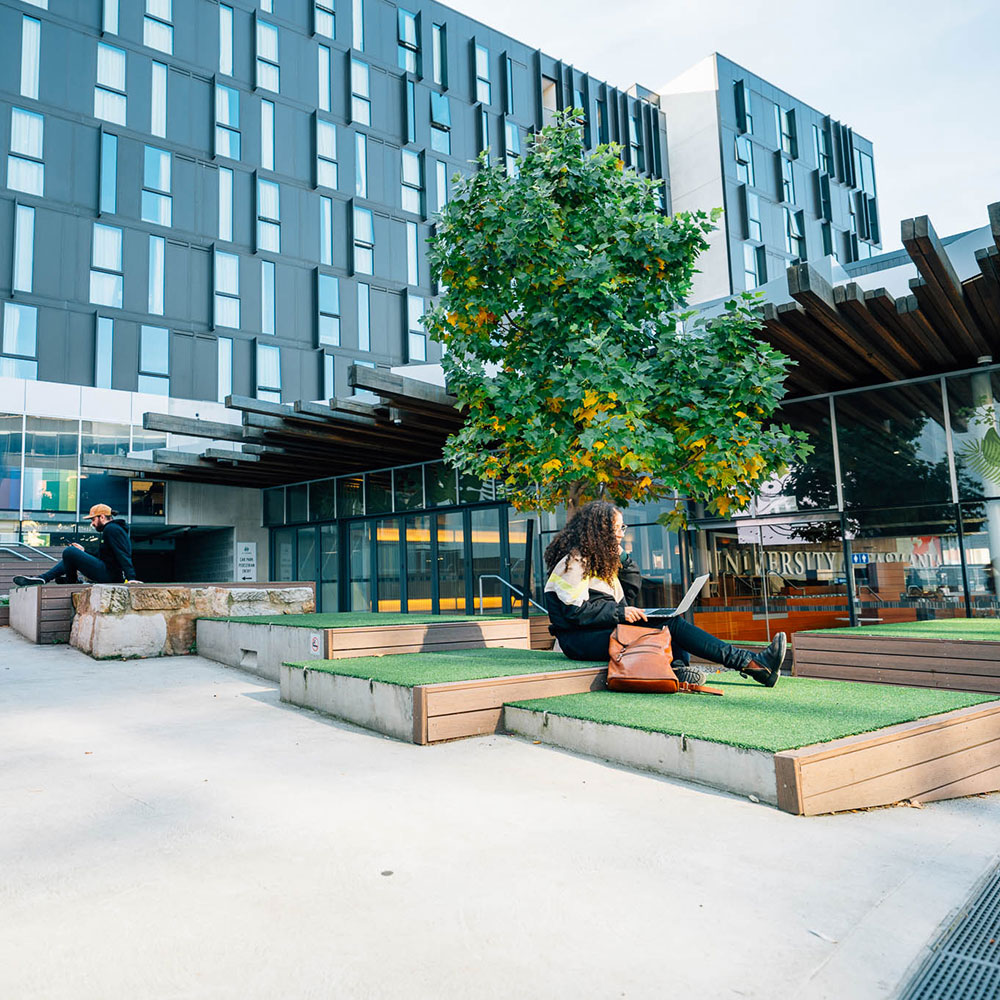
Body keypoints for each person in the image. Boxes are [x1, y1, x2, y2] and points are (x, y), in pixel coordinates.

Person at [544, 500, 785, 687]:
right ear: (598, 532)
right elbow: (574, 612)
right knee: (670, 624)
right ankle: (750, 663)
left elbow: (630, 590)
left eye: (622, 527)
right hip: (579, 641)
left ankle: (679, 669)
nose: (621, 533)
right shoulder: (573, 562)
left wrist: (624, 559)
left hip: (598, 632)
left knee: (670, 622)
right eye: (616, 528)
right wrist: (620, 613)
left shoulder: (598, 562)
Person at [13, 504, 140, 587]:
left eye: (93, 520)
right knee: (72, 555)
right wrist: (84, 550)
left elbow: (122, 553)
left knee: (69, 552)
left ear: (102, 517)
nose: (92, 524)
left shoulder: (112, 529)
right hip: (108, 571)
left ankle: (71, 582)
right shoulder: (112, 529)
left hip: (110, 576)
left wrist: (131, 577)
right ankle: (43, 579)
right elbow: (104, 555)